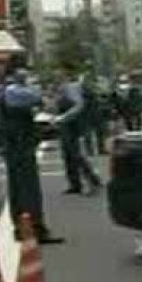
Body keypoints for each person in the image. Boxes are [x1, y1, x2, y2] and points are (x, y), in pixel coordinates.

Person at [0, 69, 64, 243]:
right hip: (21, 145)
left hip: (13, 145)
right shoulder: (15, 92)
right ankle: (35, 228)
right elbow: (42, 100)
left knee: (17, 188)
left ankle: (21, 227)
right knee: (29, 188)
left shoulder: (2, 93)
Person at [54, 68, 103, 196]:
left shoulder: (71, 88)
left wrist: (63, 117)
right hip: (66, 126)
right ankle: (75, 184)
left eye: (59, 75)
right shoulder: (61, 88)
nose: (56, 78)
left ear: (66, 75)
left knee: (77, 155)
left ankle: (92, 182)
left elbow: (79, 105)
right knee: (68, 156)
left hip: (74, 126)